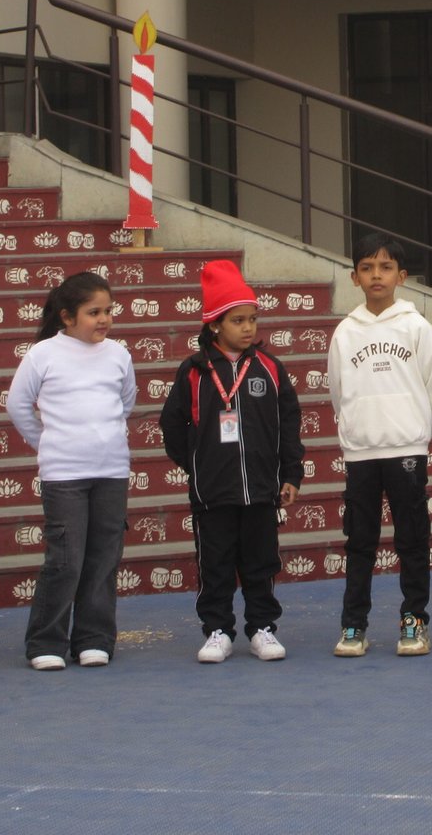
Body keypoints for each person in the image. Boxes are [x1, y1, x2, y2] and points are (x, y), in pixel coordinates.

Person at [162, 260, 303, 664]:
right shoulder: (193, 373)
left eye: (252, 319)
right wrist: (197, 465)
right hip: (213, 493)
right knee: (216, 565)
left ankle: (262, 628)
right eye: (238, 320)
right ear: (214, 325)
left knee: (261, 563)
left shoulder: (270, 369)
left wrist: (290, 473)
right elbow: (171, 425)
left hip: (261, 490)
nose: (248, 328)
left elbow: (289, 424)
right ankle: (218, 630)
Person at [327, 234, 432, 657]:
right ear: (354, 277)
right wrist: (356, 431)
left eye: (385, 267)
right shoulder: (345, 332)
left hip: (406, 450)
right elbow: (338, 391)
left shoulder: (416, 327)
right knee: (359, 543)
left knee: (412, 540)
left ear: (401, 276)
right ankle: (353, 625)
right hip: (362, 453)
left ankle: (414, 620)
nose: (376, 275)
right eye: (367, 268)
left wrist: (417, 432)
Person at [6, 271, 137, 671]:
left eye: (108, 311)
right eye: (94, 312)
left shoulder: (118, 355)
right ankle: (46, 641)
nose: (104, 319)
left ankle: (94, 638)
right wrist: (48, 442)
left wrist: (104, 439)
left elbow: (125, 402)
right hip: (63, 475)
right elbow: (18, 405)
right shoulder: (43, 354)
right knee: (65, 559)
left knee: (103, 559)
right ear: (67, 316)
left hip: (111, 472)